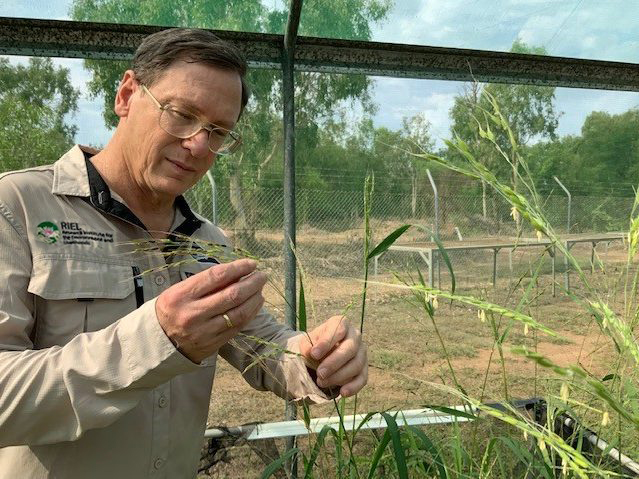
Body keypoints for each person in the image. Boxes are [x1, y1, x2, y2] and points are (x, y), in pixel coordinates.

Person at [0, 28, 367, 478]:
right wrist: (157, 339)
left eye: (218, 131)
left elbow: (262, 346)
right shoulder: (18, 207)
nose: (198, 144)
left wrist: (313, 360)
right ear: (127, 94)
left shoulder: (207, 241)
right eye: (181, 114)